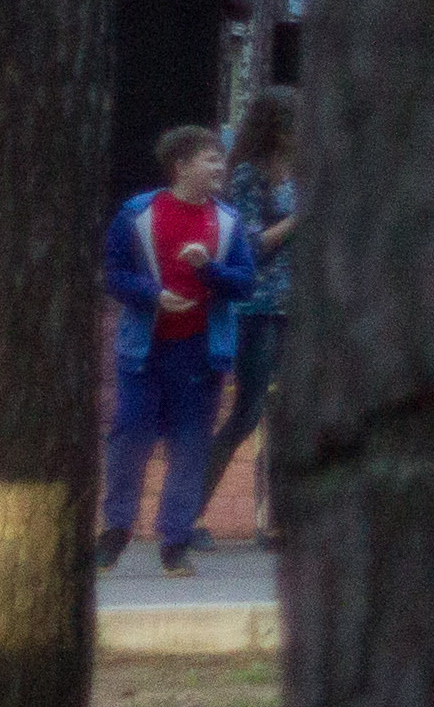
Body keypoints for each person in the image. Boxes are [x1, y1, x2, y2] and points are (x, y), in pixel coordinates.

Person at [100, 127, 262, 575]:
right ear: (181, 165)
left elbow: (246, 284)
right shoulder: (137, 214)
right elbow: (112, 273)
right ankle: (115, 532)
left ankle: (174, 541)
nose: (219, 168)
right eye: (210, 160)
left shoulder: (228, 221)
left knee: (190, 446)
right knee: (129, 437)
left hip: (200, 352)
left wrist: (207, 268)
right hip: (143, 350)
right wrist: (152, 295)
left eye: (220, 160)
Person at [210, 88, 302, 541]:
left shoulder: (306, 175)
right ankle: (184, 517)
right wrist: (297, 221)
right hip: (259, 308)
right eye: (293, 123)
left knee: (291, 414)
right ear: (275, 128)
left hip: (299, 310)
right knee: (248, 412)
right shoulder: (248, 177)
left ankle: (279, 521)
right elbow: (249, 247)